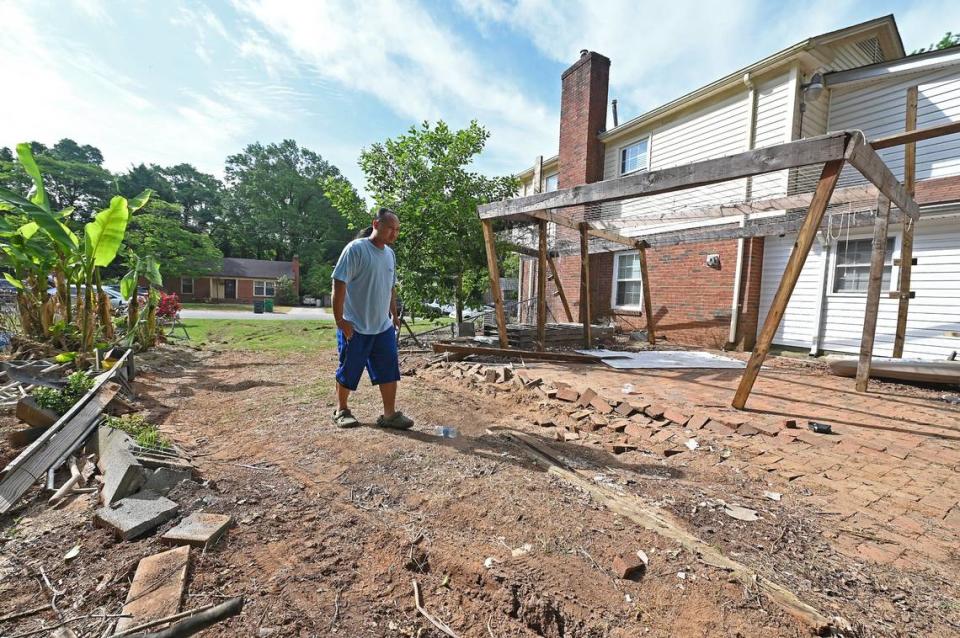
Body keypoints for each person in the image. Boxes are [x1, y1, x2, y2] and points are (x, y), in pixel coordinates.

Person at [331, 208, 413, 430]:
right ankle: (342, 410)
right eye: (390, 228)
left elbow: (390, 287)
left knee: (388, 369)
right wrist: (340, 320)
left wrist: (394, 314)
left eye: (397, 230)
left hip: (382, 327)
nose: (394, 234)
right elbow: (339, 284)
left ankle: (389, 415)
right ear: (376, 225)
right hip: (355, 326)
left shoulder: (389, 254)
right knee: (349, 369)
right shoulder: (356, 250)